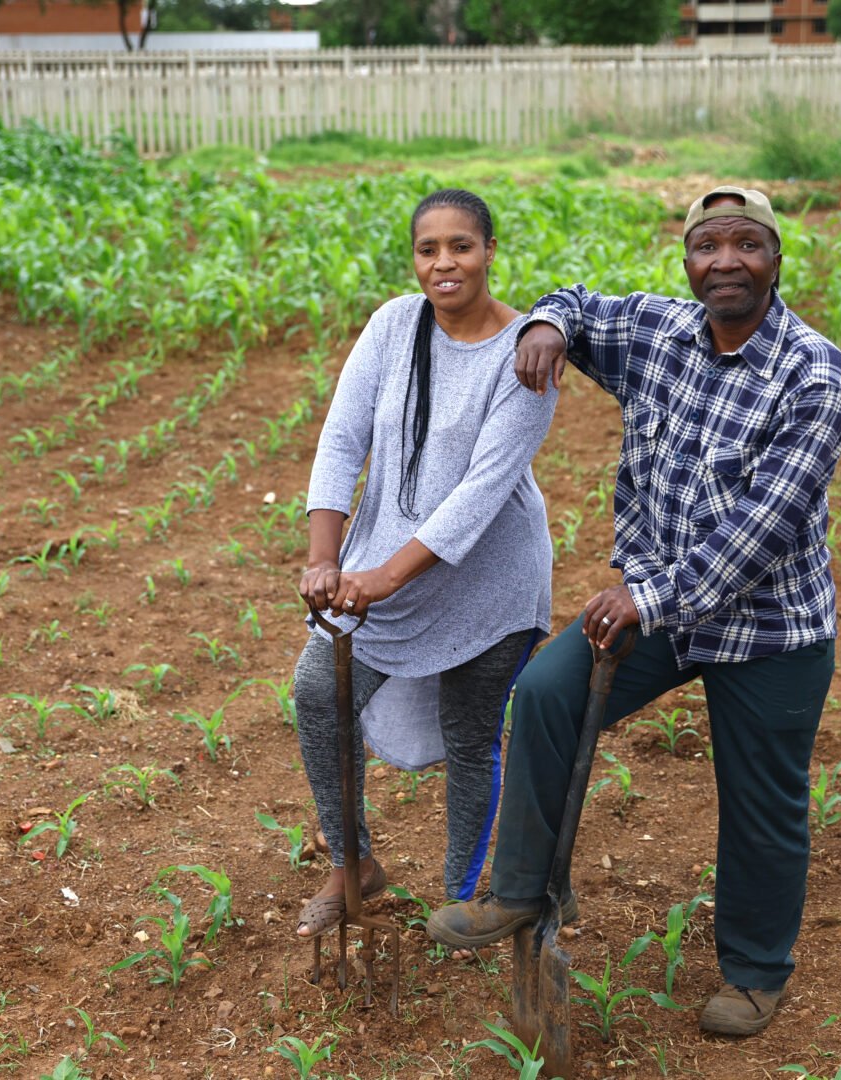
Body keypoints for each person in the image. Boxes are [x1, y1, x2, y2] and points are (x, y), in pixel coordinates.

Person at [427, 187, 841, 1037]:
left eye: (745, 245)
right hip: (658, 612)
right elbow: (579, 306)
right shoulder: (660, 332)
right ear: (687, 260)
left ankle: (756, 972)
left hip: (769, 631)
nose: (724, 261)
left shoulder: (813, 371)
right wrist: (548, 325)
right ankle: (519, 889)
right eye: (706, 246)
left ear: (775, 258)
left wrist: (647, 594)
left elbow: (762, 528)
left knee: (761, 801)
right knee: (547, 693)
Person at [291, 189, 558, 939]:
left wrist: (377, 579)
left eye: (461, 246)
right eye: (427, 249)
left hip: (488, 579)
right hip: (382, 555)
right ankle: (352, 863)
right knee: (318, 692)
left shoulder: (524, 354)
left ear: (488, 251)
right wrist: (325, 557)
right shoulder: (391, 326)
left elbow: (477, 497)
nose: (444, 263)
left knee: (470, 734)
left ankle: (461, 896)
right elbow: (342, 438)